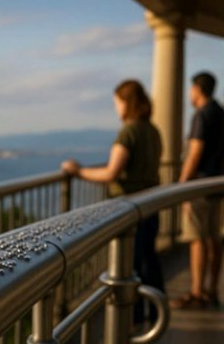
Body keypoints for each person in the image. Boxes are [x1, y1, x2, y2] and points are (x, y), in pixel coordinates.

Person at [61, 80, 165, 299]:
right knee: (149, 258)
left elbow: (111, 173)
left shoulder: (129, 133)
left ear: (126, 103)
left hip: (129, 207)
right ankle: (156, 311)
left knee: (130, 265)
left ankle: (132, 317)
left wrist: (78, 171)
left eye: (117, 103)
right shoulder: (153, 131)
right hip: (151, 204)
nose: (116, 108)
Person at [172, 71, 224, 309]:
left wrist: (182, 184)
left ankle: (197, 292)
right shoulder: (223, 115)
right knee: (214, 238)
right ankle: (212, 290)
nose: (189, 93)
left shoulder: (202, 115)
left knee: (197, 239)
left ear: (197, 89)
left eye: (191, 89)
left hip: (199, 186)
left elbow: (195, 151)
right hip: (218, 184)